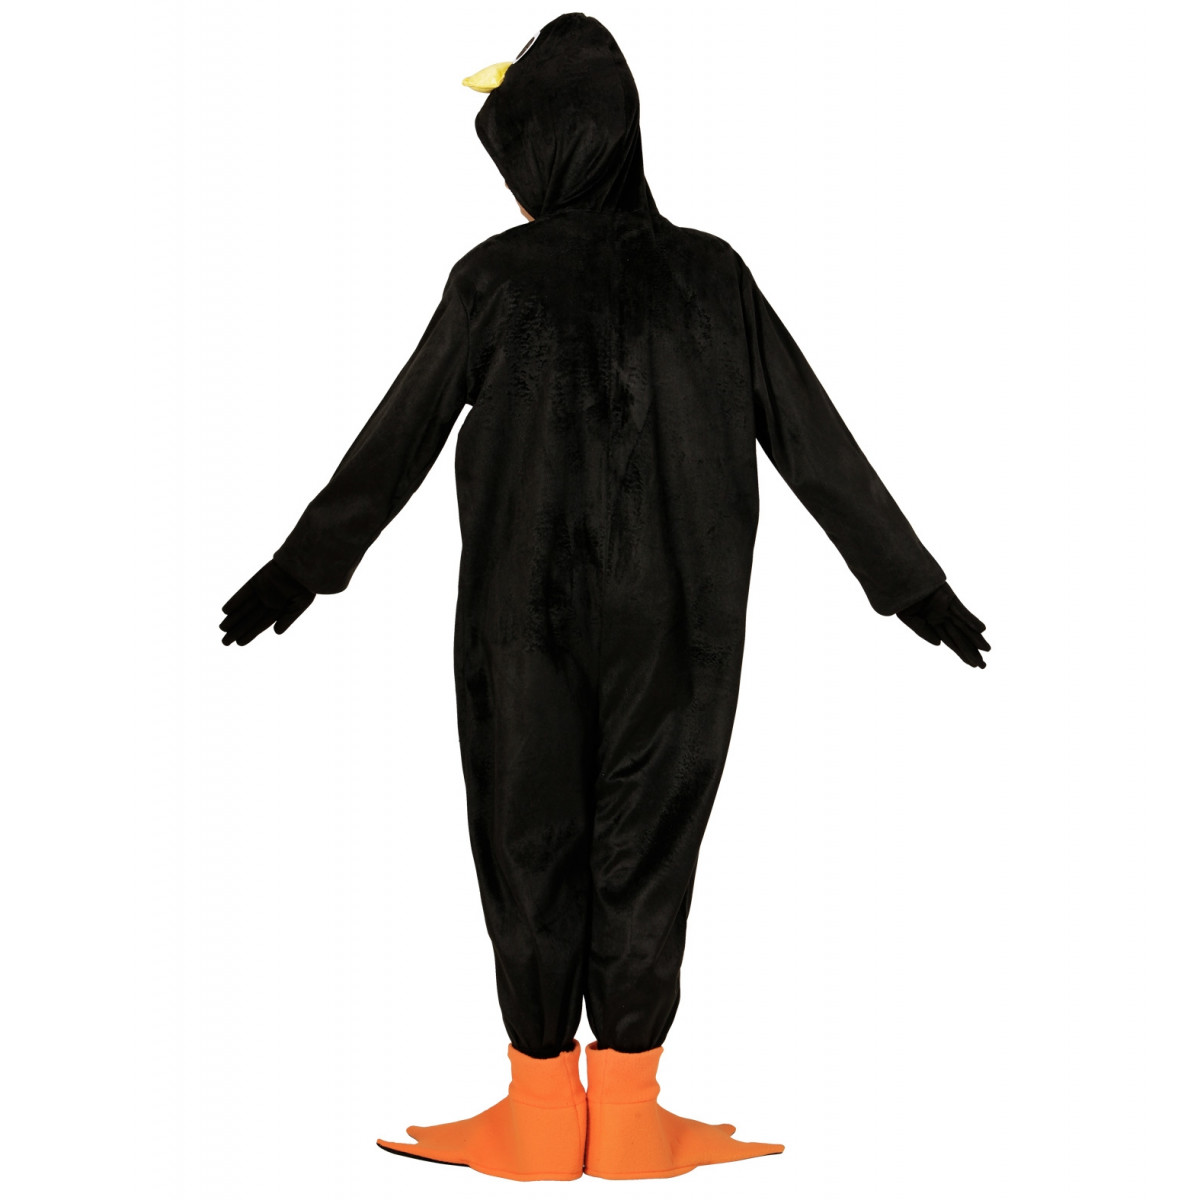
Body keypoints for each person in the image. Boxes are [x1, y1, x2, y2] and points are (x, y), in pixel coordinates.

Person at [219, 12, 990, 1182]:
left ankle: (542, 1116)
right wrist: (913, 584)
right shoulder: (712, 275)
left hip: (520, 622)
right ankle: (626, 1115)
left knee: (527, 833)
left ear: (543, 151)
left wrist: (302, 567)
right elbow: (813, 440)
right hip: (684, 620)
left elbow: (399, 437)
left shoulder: (494, 277)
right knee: (650, 840)